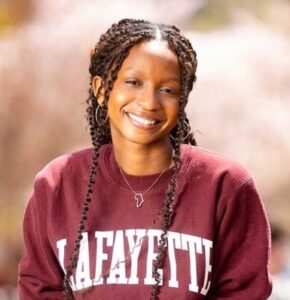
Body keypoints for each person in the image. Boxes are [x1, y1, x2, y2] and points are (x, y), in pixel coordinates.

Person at [18, 18, 272, 299]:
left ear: (182, 99)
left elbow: (245, 292)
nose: (150, 102)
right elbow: (39, 290)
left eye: (167, 90)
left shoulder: (225, 185)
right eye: (133, 82)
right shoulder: (57, 185)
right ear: (102, 90)